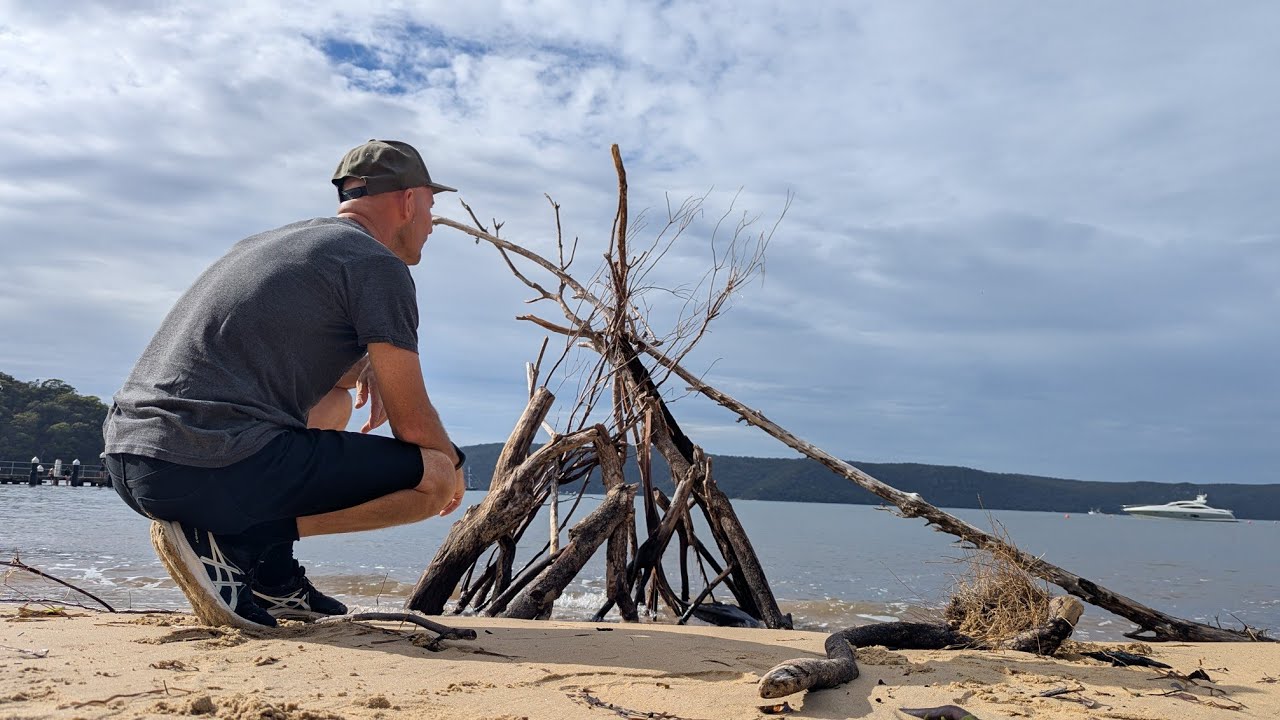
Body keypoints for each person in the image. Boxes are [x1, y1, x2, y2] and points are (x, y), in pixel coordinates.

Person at [102, 140, 466, 629]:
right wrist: (456, 466)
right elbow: (414, 425)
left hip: (132, 457)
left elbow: (290, 355)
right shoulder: (377, 265)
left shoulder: (270, 244)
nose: (431, 223)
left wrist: (369, 368)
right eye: (430, 207)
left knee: (334, 400)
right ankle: (241, 541)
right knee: (435, 475)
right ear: (406, 201)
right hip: (204, 464)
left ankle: (271, 578)